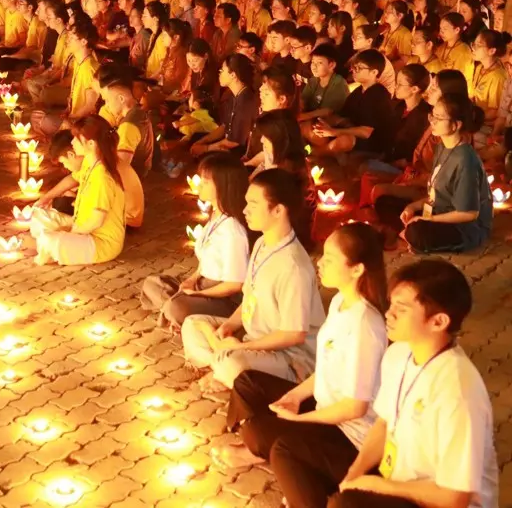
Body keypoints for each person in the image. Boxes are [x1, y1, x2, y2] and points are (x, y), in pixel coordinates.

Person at [212, 223, 388, 508]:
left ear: (357, 269)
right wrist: (294, 397)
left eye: (330, 259)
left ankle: (292, 474)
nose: (320, 262)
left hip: (350, 436)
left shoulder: (365, 325)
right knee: (248, 383)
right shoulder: (341, 301)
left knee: (280, 446)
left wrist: (300, 421)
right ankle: (266, 453)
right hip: (323, 410)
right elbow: (328, 370)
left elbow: (355, 408)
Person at [330, 260, 498, 508]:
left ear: (438, 321)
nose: (389, 314)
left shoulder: (458, 390)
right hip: (399, 479)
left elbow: (455, 498)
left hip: (439, 501)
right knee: (293, 451)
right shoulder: (398, 353)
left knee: (347, 504)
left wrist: (376, 486)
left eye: (402, 308)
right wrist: (354, 474)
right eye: (391, 304)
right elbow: (384, 422)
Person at [181, 168, 325, 390]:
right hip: (253, 338)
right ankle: (221, 368)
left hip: (289, 358)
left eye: (253, 205)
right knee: (192, 324)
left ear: (277, 210)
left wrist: (242, 349)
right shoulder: (260, 244)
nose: (245, 210)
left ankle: (223, 368)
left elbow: (294, 335)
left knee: (232, 361)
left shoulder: (293, 266)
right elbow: (249, 298)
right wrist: (228, 326)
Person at [141, 152, 250, 328]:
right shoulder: (216, 214)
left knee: (177, 307)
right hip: (202, 285)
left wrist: (198, 295)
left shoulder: (233, 231)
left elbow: (235, 285)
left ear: (223, 186)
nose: (199, 186)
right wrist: (192, 279)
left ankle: (178, 313)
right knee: (152, 284)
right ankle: (176, 312)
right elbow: (205, 260)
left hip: (223, 298)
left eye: (206, 182)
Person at [376, 93, 492, 254]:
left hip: (463, 227)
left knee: (417, 232)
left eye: (439, 118)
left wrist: (427, 219)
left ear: (456, 125)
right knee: (384, 202)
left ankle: (409, 237)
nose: (432, 121)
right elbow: (437, 195)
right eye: (432, 115)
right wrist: (413, 207)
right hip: (438, 211)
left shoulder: (465, 159)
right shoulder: (442, 147)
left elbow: (468, 213)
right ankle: (407, 236)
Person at [30, 117, 127, 266]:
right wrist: (47, 197)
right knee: (39, 215)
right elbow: (73, 178)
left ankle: (50, 247)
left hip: (100, 242)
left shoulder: (102, 177)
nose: (73, 142)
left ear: (90, 144)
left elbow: (96, 221)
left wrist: (69, 233)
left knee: (49, 240)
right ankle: (50, 246)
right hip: (81, 226)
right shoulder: (90, 160)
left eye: (76, 139)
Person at [43, 128, 144, 230]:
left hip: (125, 221)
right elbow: (73, 178)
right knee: (61, 197)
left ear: (71, 154)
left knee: (61, 205)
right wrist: (46, 197)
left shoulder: (98, 167)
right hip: (126, 215)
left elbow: (96, 203)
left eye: (64, 163)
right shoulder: (92, 158)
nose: (65, 167)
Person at [310, 49, 395, 157]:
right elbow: (343, 116)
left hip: (373, 142)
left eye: (359, 68)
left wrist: (333, 131)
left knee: (344, 140)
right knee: (316, 127)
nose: (354, 71)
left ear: (374, 72)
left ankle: (315, 154)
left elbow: (366, 132)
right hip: (352, 130)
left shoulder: (379, 95)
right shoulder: (358, 91)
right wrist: (326, 123)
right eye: (354, 67)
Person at [190, 54, 259, 157]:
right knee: (195, 138)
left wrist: (206, 148)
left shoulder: (246, 101)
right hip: (227, 141)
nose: (219, 74)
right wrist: (202, 141)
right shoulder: (232, 95)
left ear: (233, 75)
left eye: (222, 71)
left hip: (237, 151)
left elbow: (235, 142)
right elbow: (224, 126)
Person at [98, 77, 154, 179]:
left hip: (132, 177)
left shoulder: (128, 125)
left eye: (108, 100)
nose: (107, 105)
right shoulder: (138, 112)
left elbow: (120, 167)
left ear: (121, 99)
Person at [299, 43, 351, 123]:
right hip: (311, 120)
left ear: (332, 65)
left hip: (329, 125)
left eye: (319, 63)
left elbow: (327, 111)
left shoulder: (339, 83)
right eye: (313, 62)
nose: (314, 66)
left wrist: (302, 117)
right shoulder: (313, 80)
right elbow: (304, 99)